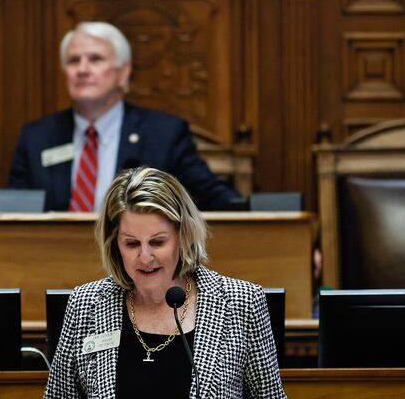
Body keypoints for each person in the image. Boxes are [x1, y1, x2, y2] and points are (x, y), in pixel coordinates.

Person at [44, 167, 286, 398]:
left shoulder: (241, 303)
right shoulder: (86, 305)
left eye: (158, 242)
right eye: (132, 243)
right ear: (115, 244)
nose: (145, 257)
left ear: (183, 236)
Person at [8, 21, 239, 212]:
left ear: (123, 72)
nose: (82, 69)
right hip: (50, 259)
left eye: (95, 59)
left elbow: (213, 198)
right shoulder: (36, 138)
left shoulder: (164, 134)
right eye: (73, 61)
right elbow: (13, 213)